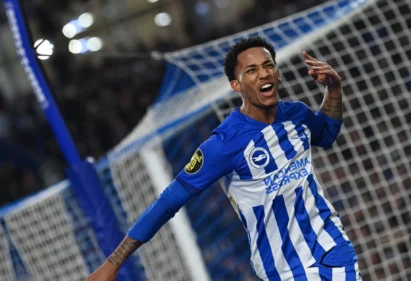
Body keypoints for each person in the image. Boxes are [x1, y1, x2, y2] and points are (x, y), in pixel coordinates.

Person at [85, 37, 361, 281]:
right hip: (284, 268)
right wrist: (112, 264)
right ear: (235, 84)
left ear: (277, 73)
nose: (263, 74)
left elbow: (326, 135)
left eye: (268, 65)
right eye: (251, 70)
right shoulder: (223, 144)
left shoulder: (297, 115)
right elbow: (167, 203)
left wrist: (333, 91)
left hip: (333, 249)